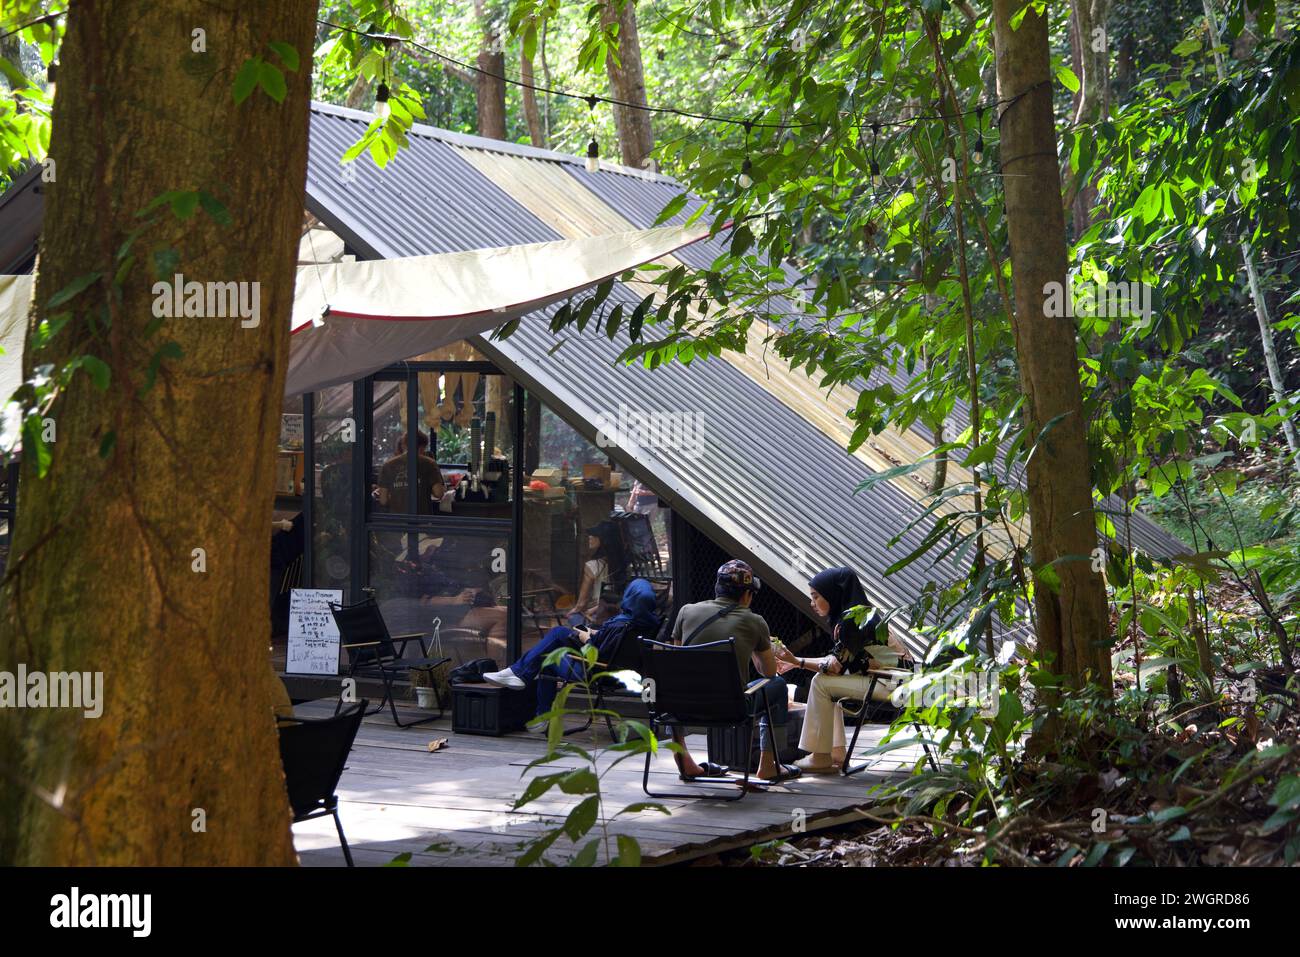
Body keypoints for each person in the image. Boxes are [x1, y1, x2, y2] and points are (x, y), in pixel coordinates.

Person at [671, 560, 800, 783]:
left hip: (682, 706)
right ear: (747, 596)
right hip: (731, 708)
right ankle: (768, 765)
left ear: (717, 588)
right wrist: (752, 646)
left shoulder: (687, 611)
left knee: (671, 684)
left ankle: (684, 762)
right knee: (778, 686)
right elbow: (768, 672)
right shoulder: (754, 621)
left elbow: (675, 658)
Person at [773, 566, 910, 774]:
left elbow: (835, 666)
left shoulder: (853, 621)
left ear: (833, 593)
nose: (812, 603)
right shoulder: (860, 614)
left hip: (893, 686)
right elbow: (837, 660)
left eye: (816, 596)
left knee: (821, 682)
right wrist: (794, 662)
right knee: (827, 682)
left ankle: (820, 756)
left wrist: (796, 661)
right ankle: (836, 752)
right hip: (892, 682)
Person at [482, 579, 661, 716]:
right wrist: (594, 634)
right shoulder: (647, 624)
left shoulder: (621, 625)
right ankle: (519, 676)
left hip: (596, 674)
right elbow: (615, 646)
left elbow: (599, 655)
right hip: (623, 674)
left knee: (551, 650)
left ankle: (525, 685)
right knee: (558, 638)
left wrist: (586, 638)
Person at [375, 430, 445, 514]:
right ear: (423, 446)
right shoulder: (429, 463)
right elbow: (439, 493)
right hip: (422, 519)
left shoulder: (387, 465)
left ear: (404, 445)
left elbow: (383, 500)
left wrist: (397, 496)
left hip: (396, 521)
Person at [571, 521, 625, 624]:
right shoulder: (624, 563)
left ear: (604, 540)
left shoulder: (593, 566)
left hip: (599, 616)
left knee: (573, 617)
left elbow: (581, 603)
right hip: (618, 614)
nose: (590, 537)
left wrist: (572, 611)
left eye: (595, 535)